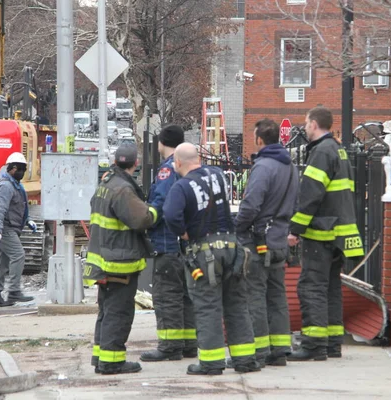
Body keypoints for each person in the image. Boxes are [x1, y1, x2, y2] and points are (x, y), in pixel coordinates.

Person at [163, 143, 259, 376]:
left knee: (208, 307)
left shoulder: (181, 186)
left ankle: (211, 362)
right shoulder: (218, 175)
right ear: (198, 159)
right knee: (236, 304)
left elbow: (170, 214)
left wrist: (184, 233)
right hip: (232, 247)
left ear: (177, 163)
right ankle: (245, 359)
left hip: (205, 253)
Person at [287, 107, 364, 361]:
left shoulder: (321, 152)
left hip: (321, 232)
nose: (305, 127)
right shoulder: (339, 150)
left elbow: (310, 196)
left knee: (312, 287)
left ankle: (313, 344)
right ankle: (332, 343)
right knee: (331, 288)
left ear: (314, 124)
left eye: (306, 122)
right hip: (340, 234)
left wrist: (295, 230)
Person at [83, 143, 158, 375]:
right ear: (135, 164)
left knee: (106, 311)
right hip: (119, 263)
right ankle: (112, 361)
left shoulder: (104, 185)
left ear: (116, 162)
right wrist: (156, 210)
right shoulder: (123, 190)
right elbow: (142, 219)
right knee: (119, 312)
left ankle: (101, 356)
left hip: (104, 260)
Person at [235, 119, 298, 367]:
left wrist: (238, 226)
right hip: (280, 238)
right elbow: (295, 202)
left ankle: (258, 351)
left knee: (255, 295)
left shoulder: (263, 167)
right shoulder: (290, 166)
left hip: (259, 241)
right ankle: (280, 349)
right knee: (277, 295)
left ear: (259, 140)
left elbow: (251, 205)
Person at [141, 125, 197, 362]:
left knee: (166, 295)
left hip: (166, 242)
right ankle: (188, 343)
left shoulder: (167, 170)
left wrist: (143, 220)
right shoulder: (188, 170)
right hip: (184, 245)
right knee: (184, 294)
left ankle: (170, 346)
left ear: (161, 143)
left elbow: (161, 204)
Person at [0, 152, 37, 307]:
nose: (22, 172)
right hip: (3, 228)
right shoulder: (5, 186)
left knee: (1, 263)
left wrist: (27, 220)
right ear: (12, 168)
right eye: (20, 169)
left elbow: (15, 208)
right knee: (18, 255)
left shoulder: (14, 184)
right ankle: (14, 291)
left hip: (5, 227)